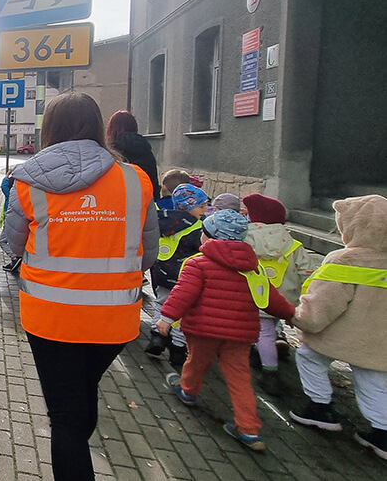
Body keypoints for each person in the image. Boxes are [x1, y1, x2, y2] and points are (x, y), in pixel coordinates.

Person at [3, 93, 158, 479]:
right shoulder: (135, 180)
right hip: (115, 319)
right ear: (96, 125)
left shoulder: (27, 182)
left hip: (50, 319)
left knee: (66, 418)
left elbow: (13, 245)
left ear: (49, 129)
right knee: (82, 397)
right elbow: (149, 256)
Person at [157, 209, 295, 453]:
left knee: (196, 362)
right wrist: (291, 315)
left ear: (209, 238)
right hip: (240, 335)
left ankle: (188, 391)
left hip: (203, 330)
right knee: (240, 378)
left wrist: (166, 318)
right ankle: (249, 429)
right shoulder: (254, 268)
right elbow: (271, 298)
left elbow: (183, 294)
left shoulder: (197, 264)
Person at [289, 194, 387, 461]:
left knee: (309, 357)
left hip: (338, 333)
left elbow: (324, 303)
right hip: (379, 341)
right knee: (374, 381)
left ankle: (319, 408)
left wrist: (302, 319)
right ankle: (382, 433)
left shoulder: (345, 260)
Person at [242, 193, 312, 396]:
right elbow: (307, 272)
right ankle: (265, 353)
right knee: (270, 329)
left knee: (261, 331)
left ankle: (269, 370)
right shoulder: (293, 245)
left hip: (254, 296)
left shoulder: (246, 238)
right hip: (283, 299)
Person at [144, 183, 208, 369]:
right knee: (183, 311)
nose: (204, 210)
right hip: (186, 276)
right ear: (188, 206)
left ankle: (156, 337)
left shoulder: (162, 219)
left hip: (162, 272)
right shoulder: (197, 228)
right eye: (201, 206)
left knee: (161, 304)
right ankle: (178, 348)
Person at [106, 110, 161, 200]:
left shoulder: (112, 152)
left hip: (119, 202)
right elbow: (153, 181)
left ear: (111, 129)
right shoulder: (146, 150)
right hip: (144, 201)